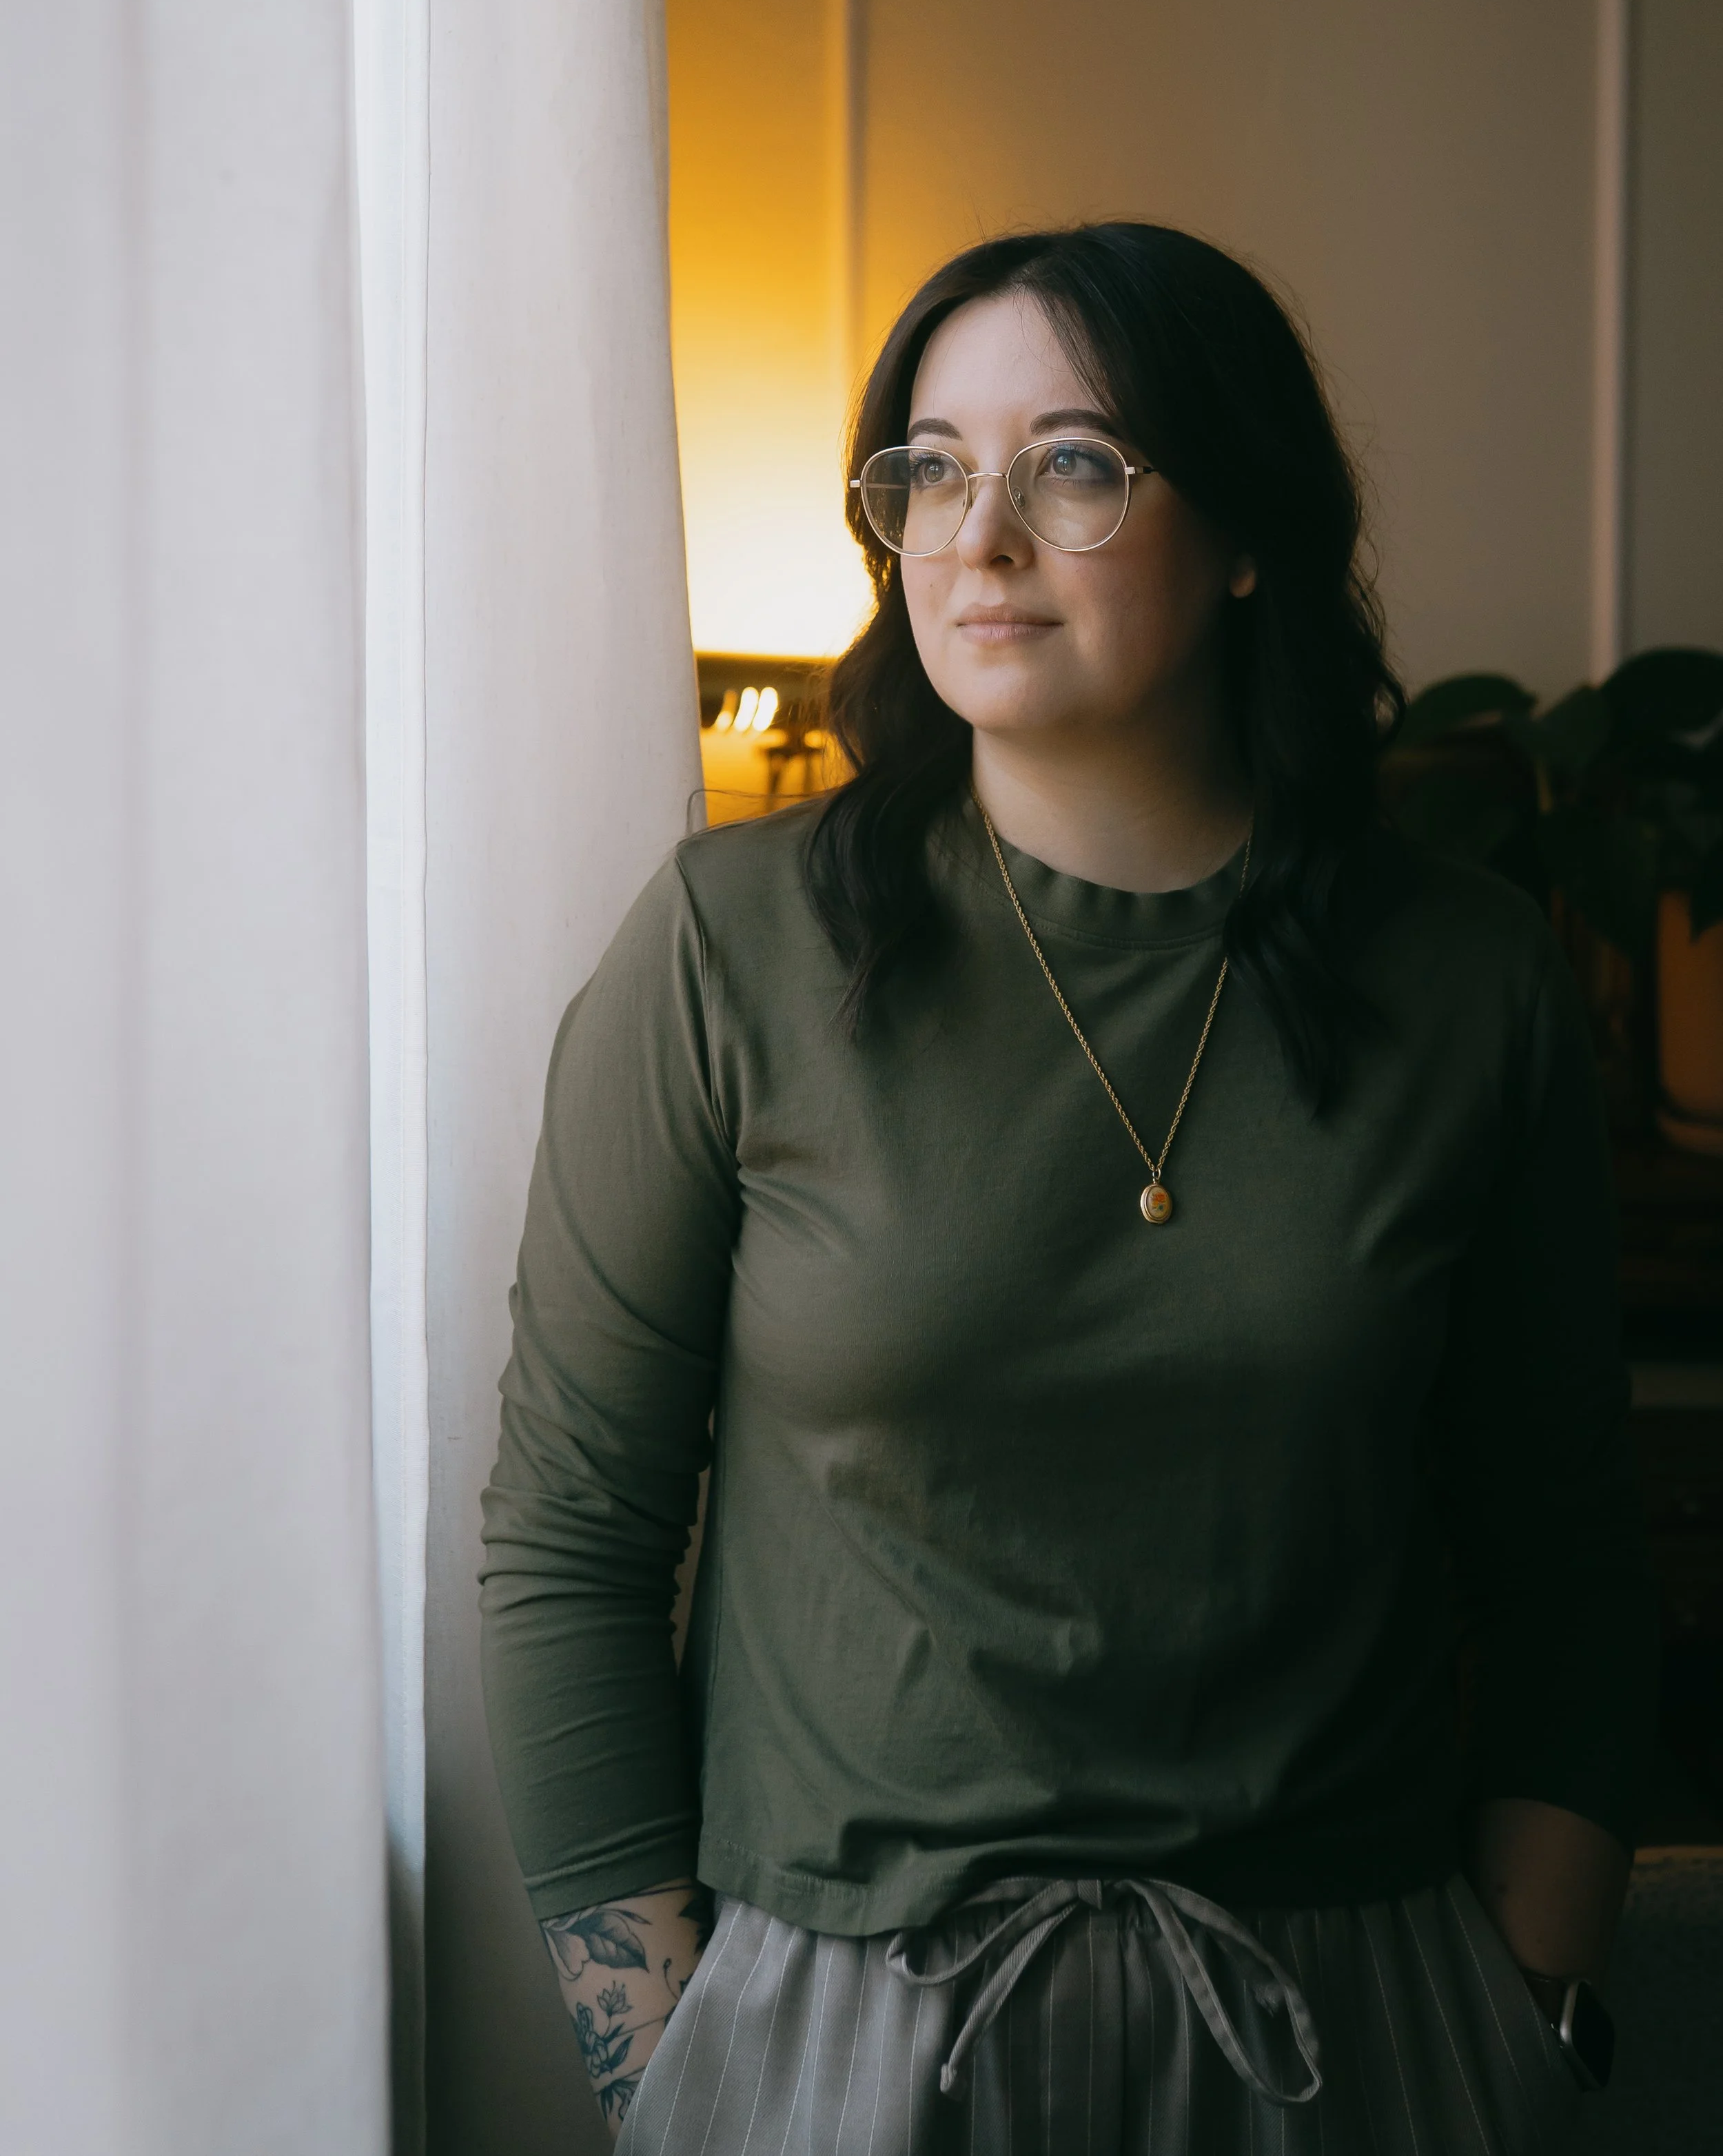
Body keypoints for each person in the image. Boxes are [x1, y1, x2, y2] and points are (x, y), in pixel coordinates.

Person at [480, 224, 1655, 2153]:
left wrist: (1525, 2019)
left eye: (1077, 462)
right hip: (839, 2019)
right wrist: (667, 2057)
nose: (977, 529)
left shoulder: (1467, 973)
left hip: (1349, 2018)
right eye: (928, 465)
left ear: (1251, 529)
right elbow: (570, 1536)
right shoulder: (730, 942)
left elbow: (1564, 1559)